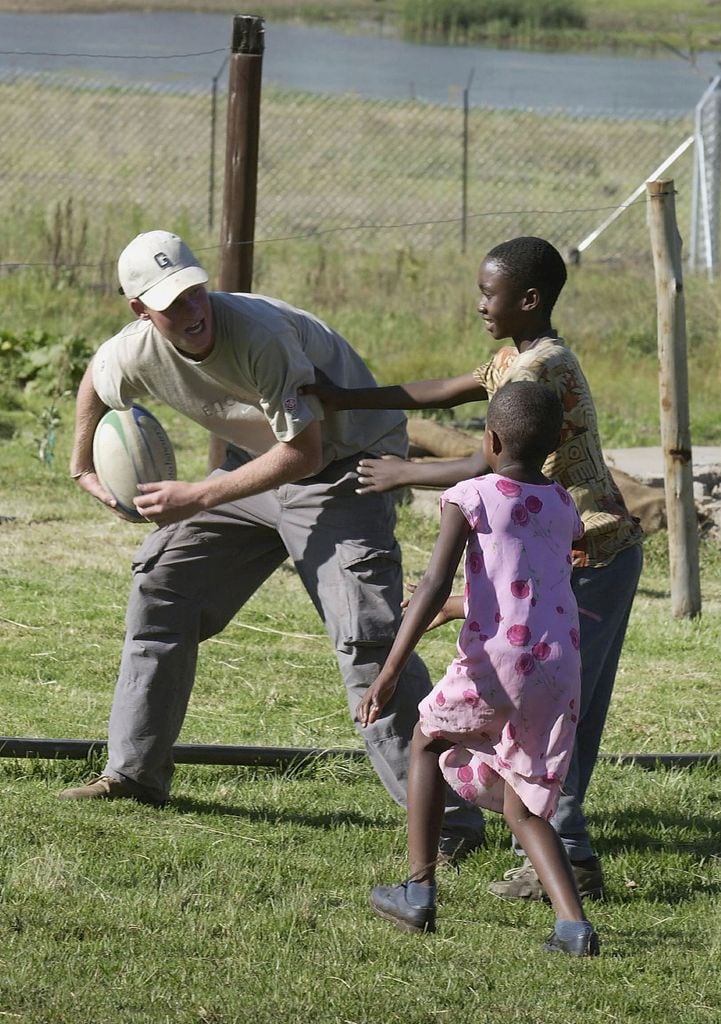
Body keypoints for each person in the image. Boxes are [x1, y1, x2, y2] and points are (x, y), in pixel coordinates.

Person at [59, 229, 485, 860]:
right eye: (171, 304)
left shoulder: (259, 335)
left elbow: (305, 452)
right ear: (140, 312)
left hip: (347, 468)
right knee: (162, 588)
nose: (192, 310)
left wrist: (199, 497)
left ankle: (449, 821)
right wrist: (81, 466)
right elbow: (96, 380)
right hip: (256, 469)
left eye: (194, 291)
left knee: (368, 644)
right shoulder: (136, 350)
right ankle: (133, 775)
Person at [303, 235, 644, 902]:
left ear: (527, 299)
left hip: (586, 556)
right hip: (571, 555)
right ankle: (556, 847)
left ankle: (565, 856)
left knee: (555, 716)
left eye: (488, 294)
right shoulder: (521, 357)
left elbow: (492, 462)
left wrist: (407, 471)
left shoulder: (533, 375)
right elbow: (444, 390)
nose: (478, 304)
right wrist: (347, 397)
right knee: (552, 708)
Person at [357, 381, 599, 955]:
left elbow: (435, 582)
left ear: (489, 439)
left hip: (501, 659)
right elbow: (532, 585)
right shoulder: (564, 504)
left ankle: (417, 891)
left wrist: (390, 670)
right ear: (552, 444)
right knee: (523, 798)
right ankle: (573, 926)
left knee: (424, 741)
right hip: (560, 666)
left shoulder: (472, 495)